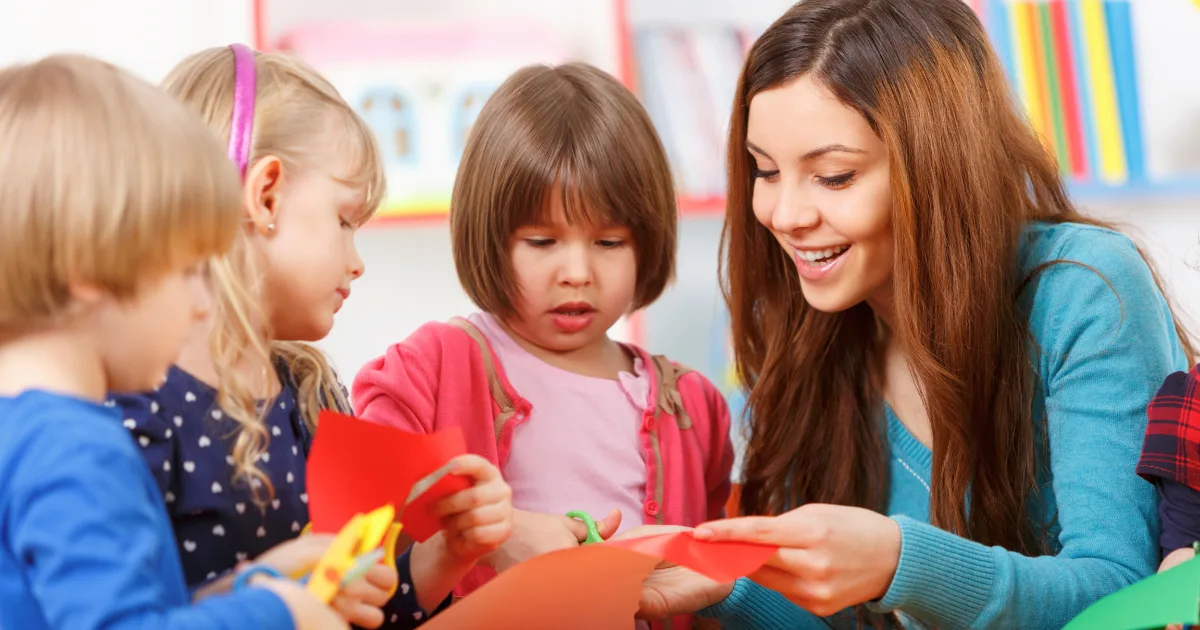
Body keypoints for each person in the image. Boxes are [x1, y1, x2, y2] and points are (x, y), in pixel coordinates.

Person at [628, 1, 1192, 628]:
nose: (785, 215)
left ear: (939, 169)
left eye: (834, 177)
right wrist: (722, 585)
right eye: (765, 171)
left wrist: (899, 563)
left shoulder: (1084, 290)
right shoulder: (812, 328)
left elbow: (1125, 595)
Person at [108, 45, 513, 629]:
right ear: (266, 194)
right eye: (345, 221)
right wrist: (268, 594)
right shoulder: (134, 405)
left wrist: (447, 552)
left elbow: (363, 607)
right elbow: (120, 619)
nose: (357, 262)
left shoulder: (307, 394)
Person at [353, 62, 733, 629]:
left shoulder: (692, 405)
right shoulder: (435, 365)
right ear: (489, 235)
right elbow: (360, 494)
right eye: (542, 240)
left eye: (608, 241)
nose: (576, 271)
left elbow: (707, 589)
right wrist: (498, 530)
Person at [0, 53, 347, 630]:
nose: (201, 303)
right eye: (188, 270)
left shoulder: (23, 433)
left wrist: (243, 587)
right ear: (90, 267)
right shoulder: (73, 449)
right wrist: (274, 615)